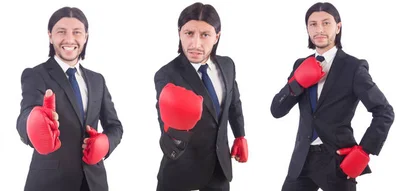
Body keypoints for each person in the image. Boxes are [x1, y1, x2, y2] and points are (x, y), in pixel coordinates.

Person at [270, 2, 395, 191]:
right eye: (313, 24)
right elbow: (277, 110)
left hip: (338, 160)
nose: (319, 29)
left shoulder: (353, 67)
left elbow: (384, 111)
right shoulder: (300, 65)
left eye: (326, 23)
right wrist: (297, 82)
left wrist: (365, 150)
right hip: (302, 160)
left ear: (338, 27)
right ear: (307, 29)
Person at [16, 6, 124, 191]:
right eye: (61, 32)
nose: (69, 39)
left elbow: (115, 126)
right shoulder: (36, 75)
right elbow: (25, 115)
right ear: (50, 36)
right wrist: (35, 124)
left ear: (86, 37)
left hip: (93, 182)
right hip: (50, 182)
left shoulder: (97, 80)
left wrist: (105, 144)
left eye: (76, 32)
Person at [153, 2, 248, 191]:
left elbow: (234, 104)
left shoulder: (228, 65)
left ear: (216, 37)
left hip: (219, 169)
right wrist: (177, 132)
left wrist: (240, 135)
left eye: (205, 35)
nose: (195, 43)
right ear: (179, 33)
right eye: (189, 33)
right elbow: (165, 127)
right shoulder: (166, 74)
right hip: (181, 170)